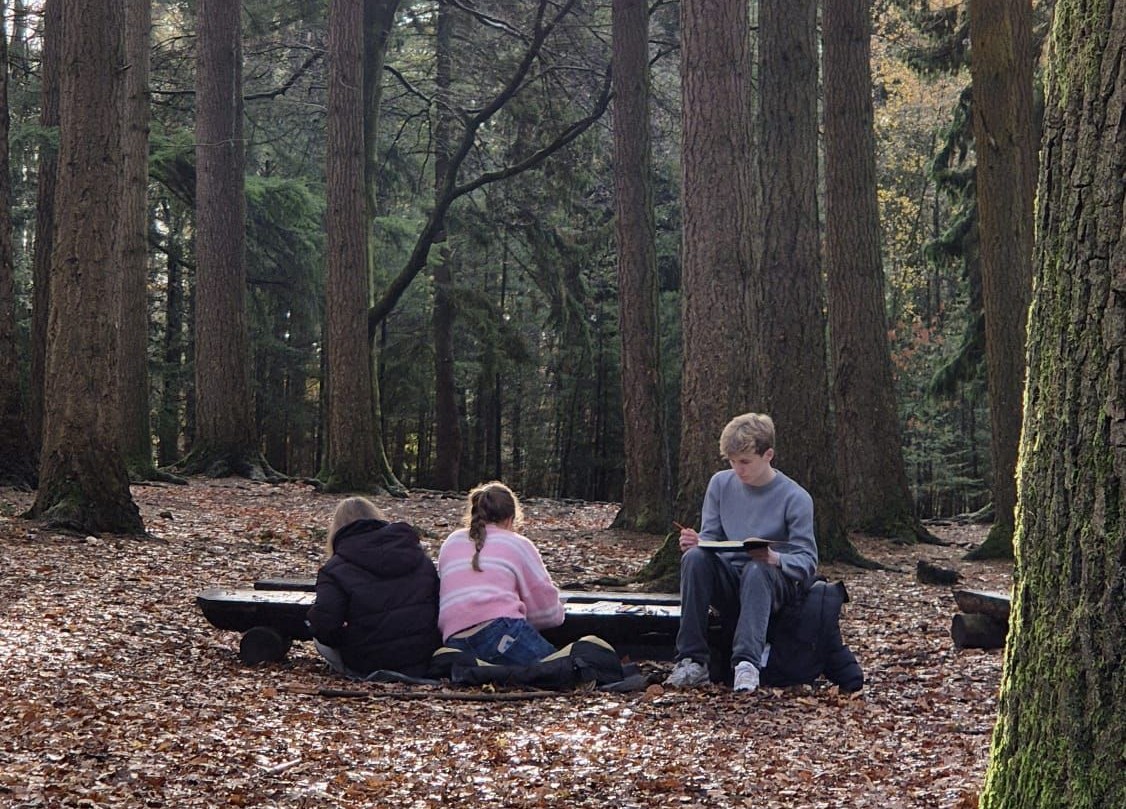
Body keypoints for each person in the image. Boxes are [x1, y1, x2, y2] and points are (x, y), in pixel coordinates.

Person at [665, 412, 818, 693]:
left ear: (768, 454)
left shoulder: (795, 498)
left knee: (757, 569)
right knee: (695, 558)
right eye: (733, 462)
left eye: (745, 462)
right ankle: (692, 660)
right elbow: (711, 537)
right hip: (729, 577)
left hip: (772, 584)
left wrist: (775, 558)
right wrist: (697, 542)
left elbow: (807, 560)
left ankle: (747, 664)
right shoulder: (720, 484)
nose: (738, 469)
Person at [306, 496, 441, 679]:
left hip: (365, 662)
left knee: (318, 633)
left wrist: (346, 639)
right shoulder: (419, 558)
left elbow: (325, 625)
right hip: (422, 658)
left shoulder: (335, 569)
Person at [437, 481, 565, 666]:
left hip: (454, 641)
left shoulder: (451, 542)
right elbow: (548, 614)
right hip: (500, 633)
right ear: (510, 518)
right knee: (562, 667)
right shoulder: (517, 544)